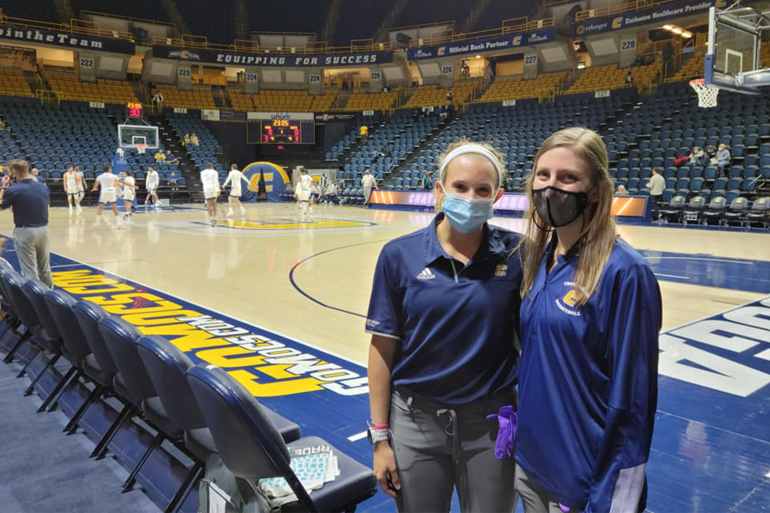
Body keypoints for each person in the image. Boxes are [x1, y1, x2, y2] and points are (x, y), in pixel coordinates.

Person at [366, 141, 522, 512]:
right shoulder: (398, 256)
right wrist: (380, 439)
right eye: (460, 187)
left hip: (491, 427)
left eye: (482, 190)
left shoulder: (519, 255)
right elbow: (382, 350)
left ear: (497, 196)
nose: (471, 198)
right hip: (415, 423)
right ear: (440, 190)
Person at [513, 127, 660, 513]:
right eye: (543, 176)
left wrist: (616, 503)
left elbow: (634, 405)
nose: (550, 188)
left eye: (568, 178)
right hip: (530, 468)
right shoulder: (537, 259)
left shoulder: (624, 273)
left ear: (594, 190)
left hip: (582, 486)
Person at [0, 159, 53, 287]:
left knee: (30, 271)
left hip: (25, 231)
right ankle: (49, 297)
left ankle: (34, 303)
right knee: (45, 269)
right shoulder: (43, 187)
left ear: (13, 173)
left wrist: (3, 187)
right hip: (44, 230)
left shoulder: (13, 190)